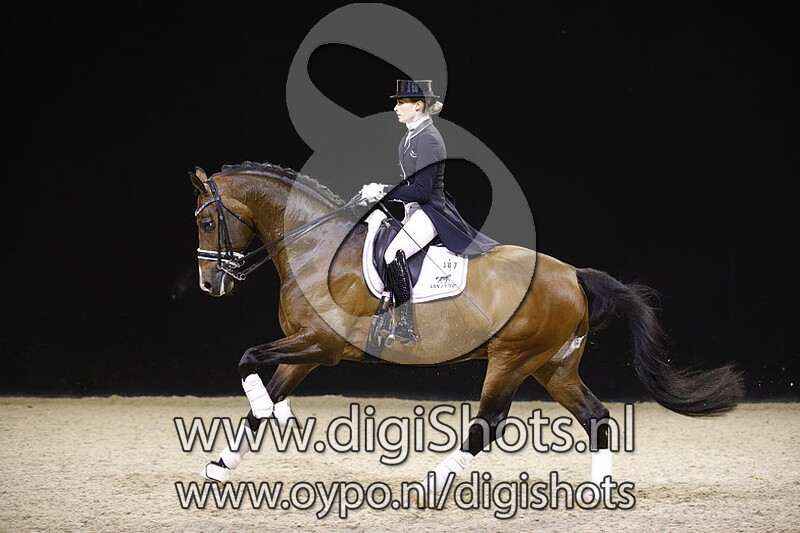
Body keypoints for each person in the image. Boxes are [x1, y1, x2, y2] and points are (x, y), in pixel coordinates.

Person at [359, 79, 498, 346]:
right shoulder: (408, 138)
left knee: (393, 253)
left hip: (431, 211)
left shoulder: (429, 139)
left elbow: (422, 190)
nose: (396, 108)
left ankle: (406, 326)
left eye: (402, 102)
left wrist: (384, 191)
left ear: (419, 105)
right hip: (413, 210)